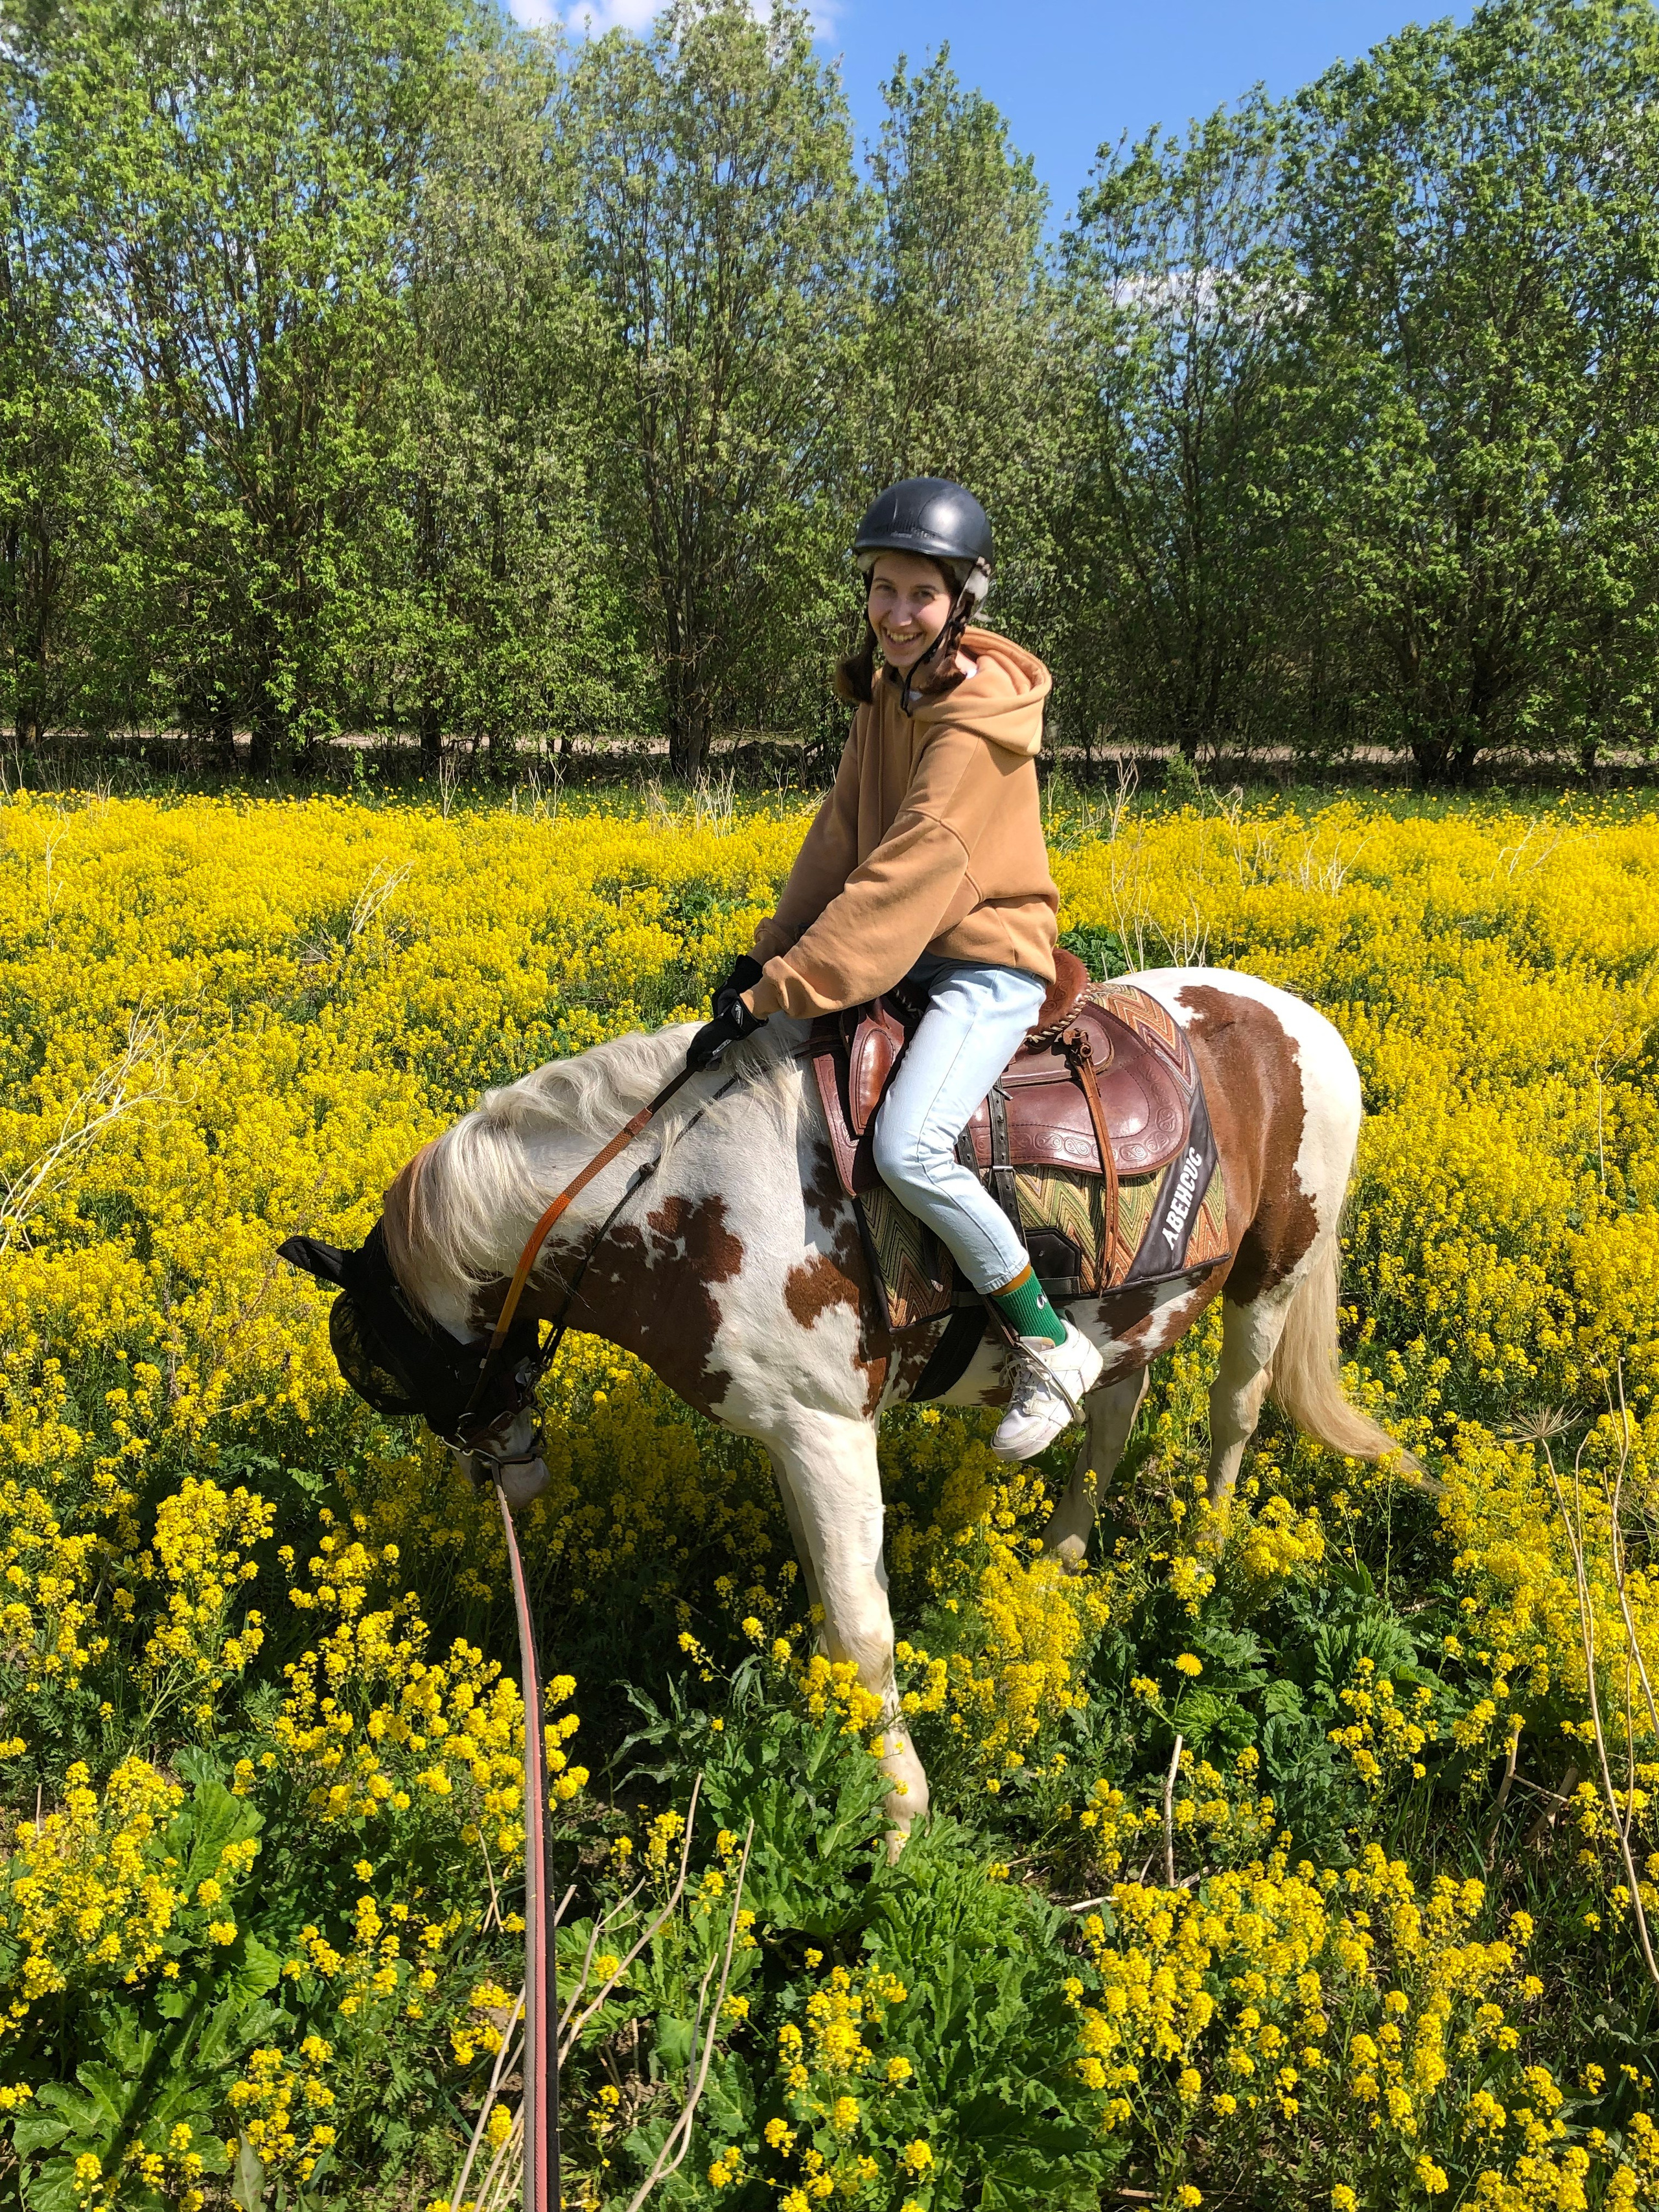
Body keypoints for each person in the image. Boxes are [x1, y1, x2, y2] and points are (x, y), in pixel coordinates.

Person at [689, 476, 1104, 1460]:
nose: (896, 612)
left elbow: (907, 880)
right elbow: (838, 842)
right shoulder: (890, 691)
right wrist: (761, 953)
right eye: (882, 588)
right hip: (904, 958)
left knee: (909, 1147)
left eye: (920, 593)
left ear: (964, 599)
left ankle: (1050, 1341)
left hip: (981, 966)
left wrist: (780, 991)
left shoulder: (975, 721)